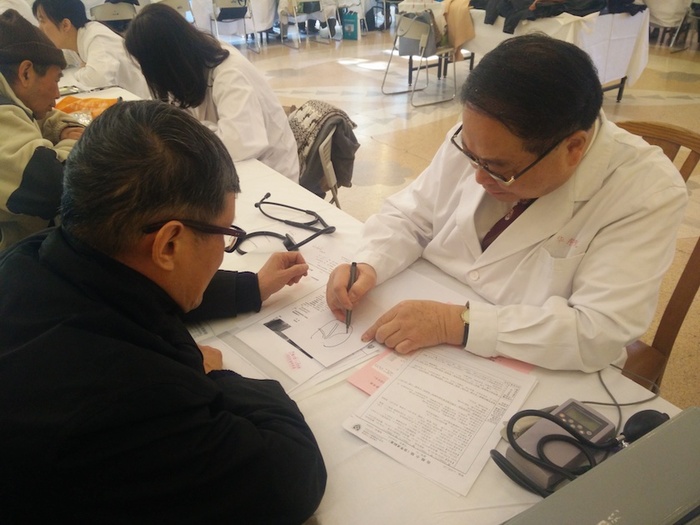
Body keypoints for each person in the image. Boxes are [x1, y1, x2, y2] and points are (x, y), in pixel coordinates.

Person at [0, 100, 326, 523]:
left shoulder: (29, 260)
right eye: (225, 232)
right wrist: (214, 376)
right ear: (169, 243)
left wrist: (251, 286)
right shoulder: (135, 400)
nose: (224, 248)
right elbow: (290, 476)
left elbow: (130, 281)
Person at [325, 34, 688, 373]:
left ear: (573, 148)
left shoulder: (646, 191)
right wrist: (369, 262)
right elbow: (411, 216)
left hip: (538, 360)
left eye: (500, 170)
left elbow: (597, 330)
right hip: (429, 309)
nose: (479, 178)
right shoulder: (483, 137)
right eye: (472, 157)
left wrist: (453, 323)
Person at [124, 3, 300, 182]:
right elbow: (165, 111)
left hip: (272, 176)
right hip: (234, 168)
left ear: (166, 62)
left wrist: (189, 130)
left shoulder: (230, 73)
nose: (146, 74)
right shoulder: (192, 67)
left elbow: (240, 146)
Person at [0, 8, 84, 250]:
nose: (57, 95)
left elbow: (44, 116)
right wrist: (74, 142)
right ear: (26, 73)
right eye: (56, 80)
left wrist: (60, 128)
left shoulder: (11, 99)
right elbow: (60, 187)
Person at [32, 0, 150, 98]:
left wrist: (79, 72)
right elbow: (58, 61)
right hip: (120, 98)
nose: (39, 28)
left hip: (138, 101)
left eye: (42, 21)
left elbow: (98, 79)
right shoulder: (73, 39)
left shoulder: (96, 36)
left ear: (65, 25)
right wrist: (84, 69)